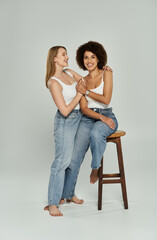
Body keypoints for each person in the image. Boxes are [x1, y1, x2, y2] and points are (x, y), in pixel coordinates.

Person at [44, 45, 112, 216]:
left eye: (66, 54)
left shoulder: (67, 73)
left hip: (79, 118)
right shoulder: (53, 82)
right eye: (63, 55)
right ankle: (53, 203)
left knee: (74, 160)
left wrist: (103, 69)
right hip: (66, 122)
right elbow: (65, 110)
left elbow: (85, 79)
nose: (67, 57)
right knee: (62, 161)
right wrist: (80, 95)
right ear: (54, 59)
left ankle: (68, 194)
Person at [61, 41, 118, 201]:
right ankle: (67, 194)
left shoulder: (106, 73)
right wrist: (100, 117)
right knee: (74, 158)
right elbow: (85, 109)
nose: (89, 60)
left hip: (107, 115)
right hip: (89, 118)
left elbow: (106, 99)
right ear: (82, 60)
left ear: (99, 58)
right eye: (86, 58)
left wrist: (87, 92)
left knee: (96, 133)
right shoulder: (82, 80)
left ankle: (95, 168)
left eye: (92, 57)